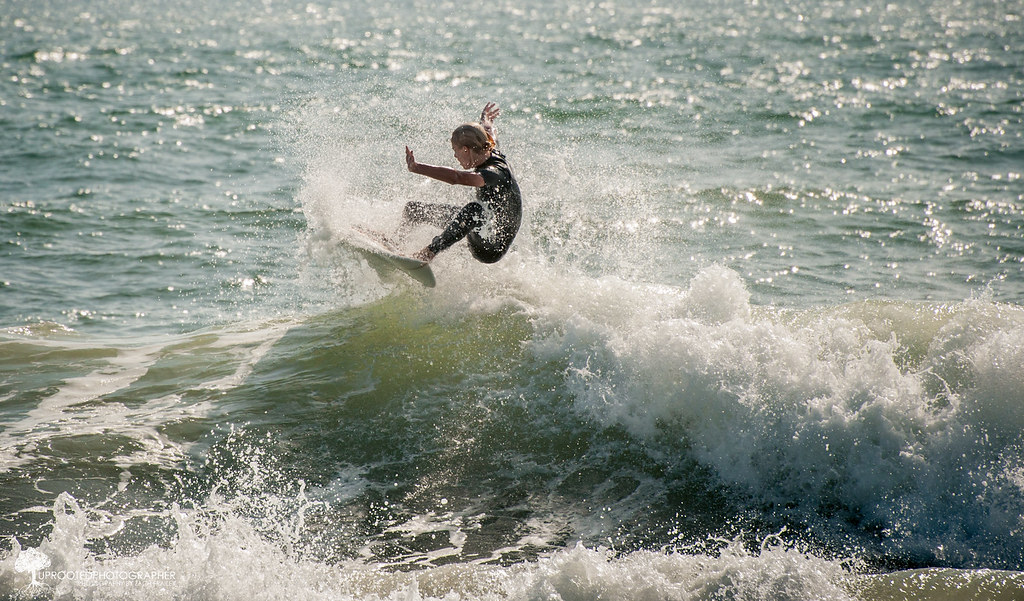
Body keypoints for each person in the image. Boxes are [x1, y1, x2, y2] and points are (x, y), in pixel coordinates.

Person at [398, 102, 522, 264]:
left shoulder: (494, 173)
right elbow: (488, 131)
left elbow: (457, 178)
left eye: (455, 150)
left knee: (473, 210)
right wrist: (485, 119)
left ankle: (428, 253)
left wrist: (417, 167)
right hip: (479, 223)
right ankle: (396, 242)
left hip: (491, 246)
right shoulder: (486, 147)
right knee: (414, 209)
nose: (455, 156)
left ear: (465, 149)